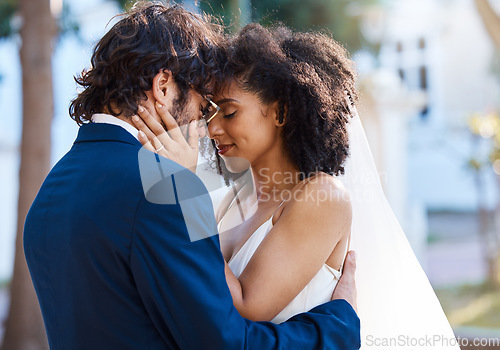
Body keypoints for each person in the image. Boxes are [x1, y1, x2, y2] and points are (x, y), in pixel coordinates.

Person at [23, 3, 360, 350]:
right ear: (164, 86)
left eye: (225, 112)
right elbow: (226, 341)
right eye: (204, 109)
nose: (205, 130)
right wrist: (339, 328)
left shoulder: (51, 193)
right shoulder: (162, 191)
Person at [136, 23, 460, 349]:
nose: (212, 128)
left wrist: (185, 192)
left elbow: (248, 307)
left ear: (280, 111)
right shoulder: (229, 201)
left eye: (229, 113)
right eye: (209, 115)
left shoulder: (321, 197)